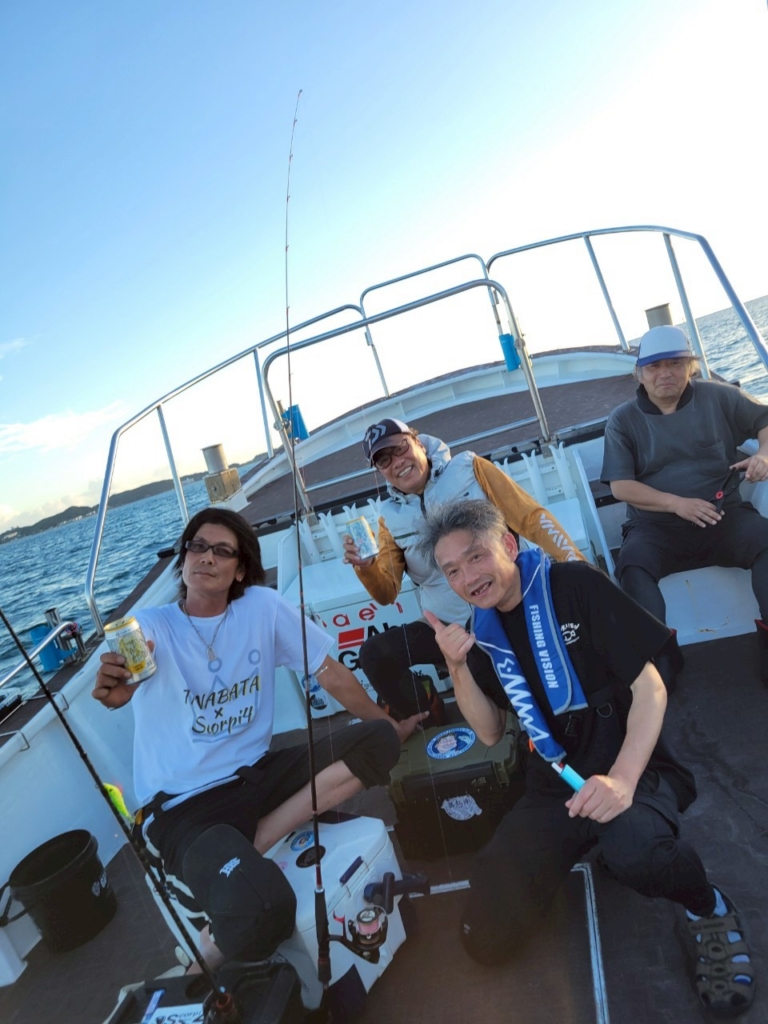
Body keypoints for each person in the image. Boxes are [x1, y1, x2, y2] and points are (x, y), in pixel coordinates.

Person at [419, 498, 754, 1020]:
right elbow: (489, 732)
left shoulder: (576, 585)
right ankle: (578, 849)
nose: (468, 578)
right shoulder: (481, 635)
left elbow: (651, 688)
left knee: (636, 850)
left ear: (508, 544)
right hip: (556, 783)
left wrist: (621, 780)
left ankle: (706, 905)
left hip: (630, 763)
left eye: (476, 557)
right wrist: (457, 668)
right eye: (452, 571)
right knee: (485, 937)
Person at [93, 507, 423, 973]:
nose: (206, 557)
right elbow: (121, 675)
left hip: (256, 778)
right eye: (197, 546)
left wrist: (389, 725)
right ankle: (203, 944)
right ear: (184, 558)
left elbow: (329, 673)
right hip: (183, 808)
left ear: (240, 569)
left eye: (221, 551)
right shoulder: (150, 626)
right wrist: (116, 689)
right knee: (267, 910)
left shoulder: (262, 608)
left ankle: (258, 838)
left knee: (377, 741)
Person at [342, 418, 584, 722]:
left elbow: (531, 518)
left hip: (507, 608)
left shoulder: (470, 468)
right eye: (384, 461)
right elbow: (386, 592)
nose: (396, 462)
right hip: (448, 626)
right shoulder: (389, 517)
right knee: (375, 655)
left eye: (400, 448)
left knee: (510, 683)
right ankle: (429, 709)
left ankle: (521, 720)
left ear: (418, 442)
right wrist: (366, 567)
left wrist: (577, 565)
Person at [601, 325, 768, 686]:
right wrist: (676, 504)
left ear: (691, 367)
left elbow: (764, 419)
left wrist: (764, 455)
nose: (665, 373)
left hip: (723, 516)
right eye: (654, 366)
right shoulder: (623, 420)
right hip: (654, 527)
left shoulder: (718, 397)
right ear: (639, 373)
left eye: (675, 363)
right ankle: (662, 659)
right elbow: (621, 486)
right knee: (631, 567)